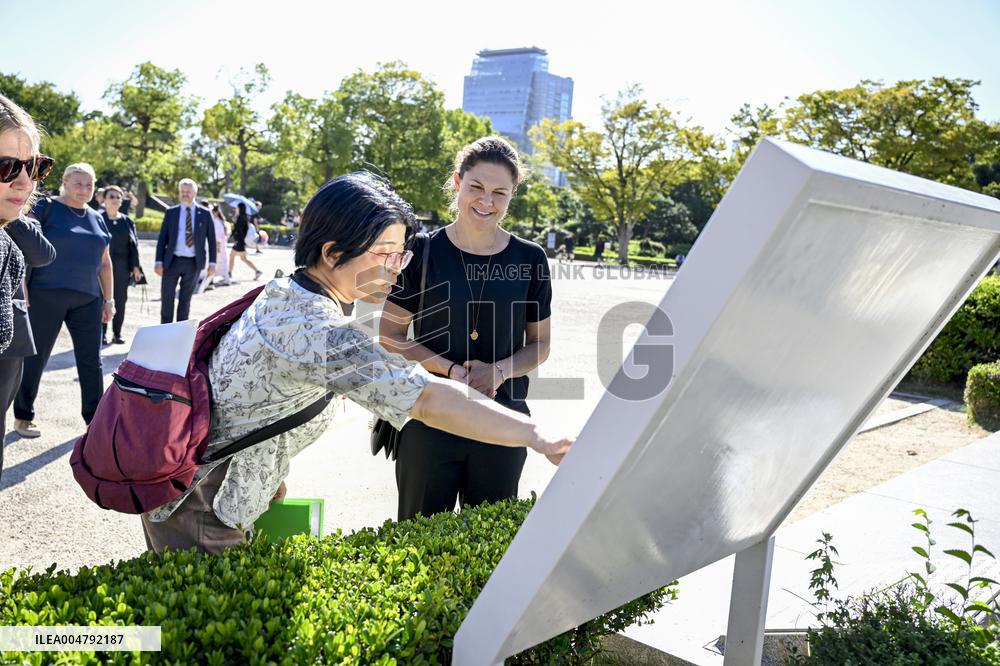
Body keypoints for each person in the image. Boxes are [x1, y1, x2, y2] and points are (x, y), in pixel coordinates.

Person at [140, 172, 572, 554]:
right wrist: (538, 435)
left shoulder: (285, 293)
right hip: (200, 508)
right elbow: (426, 400)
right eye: (385, 254)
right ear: (332, 253)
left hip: (211, 491)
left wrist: (266, 475)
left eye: (401, 254)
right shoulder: (317, 330)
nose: (397, 269)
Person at [380, 136, 554, 522]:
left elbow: (540, 345)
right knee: (417, 545)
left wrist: (498, 371)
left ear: (512, 196)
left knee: (486, 552)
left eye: (500, 193)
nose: (486, 201)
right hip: (428, 419)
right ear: (458, 183)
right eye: (476, 187)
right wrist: (451, 371)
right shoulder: (421, 251)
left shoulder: (531, 258)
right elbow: (390, 337)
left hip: (503, 420)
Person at [15, 162, 113, 434]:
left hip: (88, 298)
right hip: (46, 294)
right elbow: (25, 248)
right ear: (65, 183)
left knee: (92, 361)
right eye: (78, 183)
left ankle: (94, 422)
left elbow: (105, 263)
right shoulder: (47, 208)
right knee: (35, 357)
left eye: (89, 184)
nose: (84, 189)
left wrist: (109, 300)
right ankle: (23, 416)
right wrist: (22, 286)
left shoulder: (98, 217)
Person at [0, 95, 55, 475]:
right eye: (7, 166)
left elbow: (45, 254)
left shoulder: (8, 246)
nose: (24, 180)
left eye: (34, 166)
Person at [154, 178, 216, 323]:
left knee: (185, 301)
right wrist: (158, 261)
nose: (185, 194)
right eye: (182, 191)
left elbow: (212, 240)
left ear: (195, 192)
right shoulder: (171, 212)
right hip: (172, 261)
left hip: (193, 262)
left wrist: (212, 263)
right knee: (167, 299)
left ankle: (180, 334)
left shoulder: (205, 214)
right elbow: (162, 238)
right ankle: (165, 331)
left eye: (188, 191)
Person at [100, 185, 142, 345]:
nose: (115, 200)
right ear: (104, 200)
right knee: (103, 299)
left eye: (118, 197)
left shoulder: (128, 221)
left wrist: (136, 267)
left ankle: (117, 333)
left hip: (123, 267)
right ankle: (102, 333)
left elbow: (134, 245)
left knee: (120, 300)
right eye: (111, 196)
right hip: (102, 267)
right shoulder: (98, 218)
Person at [228, 202, 262, 281]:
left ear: (240, 208)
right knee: (242, 258)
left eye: (237, 208)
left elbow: (238, 229)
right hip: (241, 241)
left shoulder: (240, 217)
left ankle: (229, 273)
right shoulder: (245, 217)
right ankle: (257, 271)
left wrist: (235, 223)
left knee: (233, 256)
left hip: (239, 241)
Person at [210, 205, 231, 286]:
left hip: (218, 245)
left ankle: (212, 279)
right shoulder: (220, 221)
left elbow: (218, 236)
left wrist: (217, 247)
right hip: (221, 245)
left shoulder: (216, 221)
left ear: (216, 212)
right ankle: (225, 279)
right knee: (222, 263)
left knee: (217, 262)